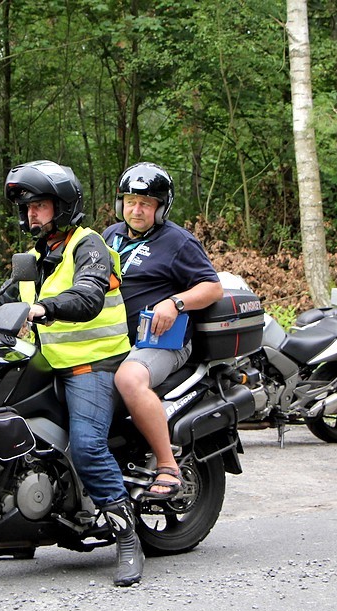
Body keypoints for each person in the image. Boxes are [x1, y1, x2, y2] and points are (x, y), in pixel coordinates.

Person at [0, 160, 142, 587]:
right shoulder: (37, 257)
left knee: (87, 447)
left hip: (93, 363)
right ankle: (16, 522)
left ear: (63, 206)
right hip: (45, 361)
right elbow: (1, 300)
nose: (31, 213)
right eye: (27, 207)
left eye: (40, 205)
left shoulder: (89, 245)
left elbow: (88, 295)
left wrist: (42, 309)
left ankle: (127, 537)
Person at [102, 162, 224, 499]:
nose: (136, 210)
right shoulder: (109, 236)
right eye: (130, 202)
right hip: (113, 338)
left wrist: (175, 302)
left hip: (161, 341)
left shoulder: (178, 241)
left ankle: (168, 465)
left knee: (129, 379)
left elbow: (212, 288)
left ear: (160, 207)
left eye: (145, 203)